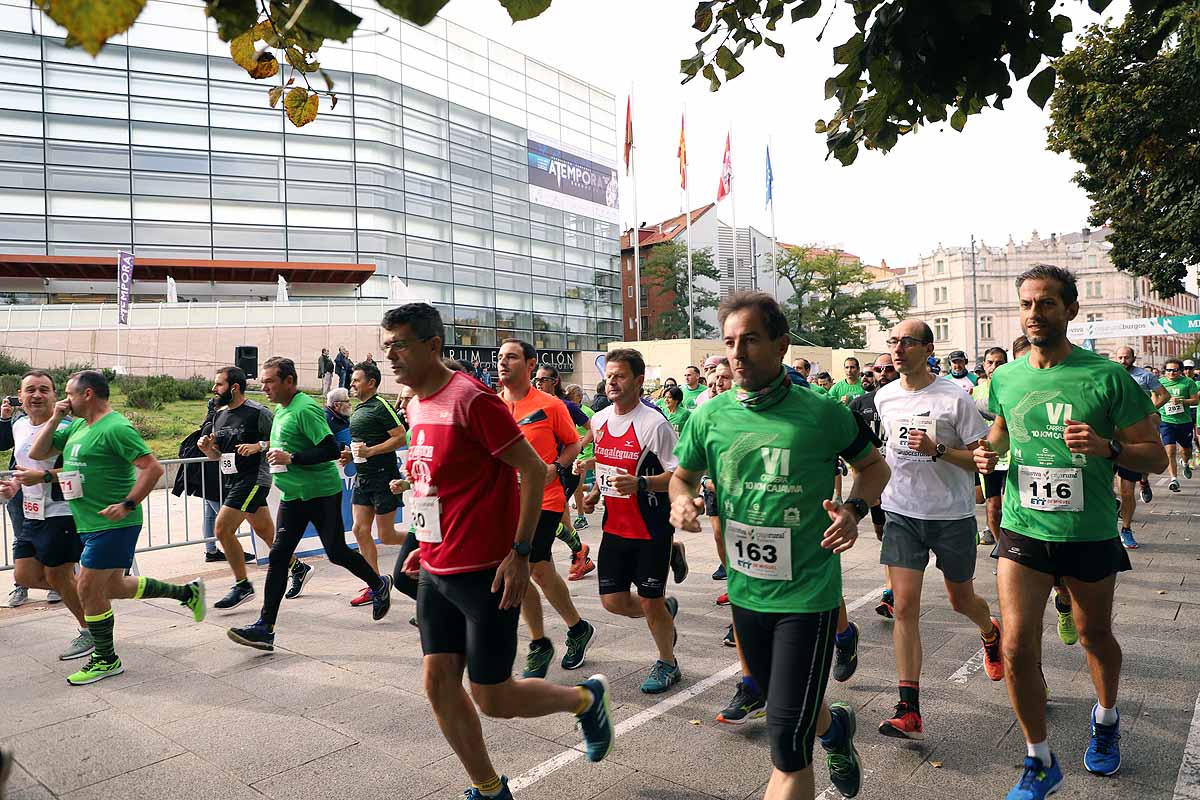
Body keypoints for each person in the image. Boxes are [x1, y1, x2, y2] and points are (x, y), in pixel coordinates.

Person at [384, 304, 613, 799]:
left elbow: (532, 471)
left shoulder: (473, 400)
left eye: (399, 344)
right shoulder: (415, 404)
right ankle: (489, 789)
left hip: (486, 571)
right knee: (438, 684)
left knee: (492, 696)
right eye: (386, 346)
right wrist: (423, 542)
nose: (391, 355)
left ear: (432, 345)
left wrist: (520, 551)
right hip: (437, 566)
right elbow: (435, 483)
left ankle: (583, 699)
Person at [670, 291, 889, 800]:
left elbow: (875, 468)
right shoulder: (710, 415)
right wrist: (682, 503)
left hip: (808, 597)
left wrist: (854, 511)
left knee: (787, 746)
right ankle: (835, 730)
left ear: (782, 345)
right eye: (729, 343)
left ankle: (819, 739)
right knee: (790, 704)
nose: (738, 353)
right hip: (747, 595)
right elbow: (681, 477)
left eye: (750, 340)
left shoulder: (821, 412)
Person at [974, 264, 1167, 800]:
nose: (1034, 313)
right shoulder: (1007, 376)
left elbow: (1154, 457)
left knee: (1094, 636)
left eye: (1047, 303)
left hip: (1088, 533)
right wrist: (989, 451)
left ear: (1070, 311)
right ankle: (1039, 760)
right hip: (1024, 527)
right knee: (1014, 647)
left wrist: (1108, 448)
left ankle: (1105, 718)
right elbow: (1000, 433)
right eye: (1027, 304)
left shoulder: (1106, 377)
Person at [28, 370, 205, 685]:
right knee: (112, 588)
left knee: (86, 587)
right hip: (88, 522)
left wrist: (128, 504)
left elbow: (150, 468)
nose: (64, 400)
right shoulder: (80, 425)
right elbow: (38, 453)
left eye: (68, 394)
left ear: (88, 394)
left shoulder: (117, 427)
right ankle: (187, 593)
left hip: (114, 523)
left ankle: (106, 659)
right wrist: (55, 418)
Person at [874, 320, 1002, 740]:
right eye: (893, 341)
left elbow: (982, 460)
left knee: (960, 599)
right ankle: (908, 708)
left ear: (928, 349)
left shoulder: (954, 397)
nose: (898, 349)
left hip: (951, 514)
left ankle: (989, 630)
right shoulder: (885, 396)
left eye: (907, 342)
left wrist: (939, 451)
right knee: (905, 606)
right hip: (901, 513)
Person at [227, 357, 393, 651]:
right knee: (279, 557)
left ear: (288, 381)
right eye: (262, 381)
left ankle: (379, 584)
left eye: (269, 381)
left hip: (320, 493)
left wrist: (292, 459)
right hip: (293, 497)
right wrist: (268, 448)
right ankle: (265, 628)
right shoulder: (281, 409)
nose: (263, 386)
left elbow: (330, 448)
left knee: (337, 552)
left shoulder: (305, 408)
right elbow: (288, 442)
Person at [579, 348, 683, 693]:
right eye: (609, 375)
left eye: (620, 375)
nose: (612, 381)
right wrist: (596, 493)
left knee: (650, 600)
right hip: (615, 525)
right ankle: (663, 611)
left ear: (638, 381)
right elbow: (610, 465)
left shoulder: (654, 424)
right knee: (613, 601)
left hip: (652, 525)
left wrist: (642, 483)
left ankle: (668, 663)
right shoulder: (599, 419)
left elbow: (681, 474)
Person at [497, 340, 596, 678]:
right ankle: (572, 630)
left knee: (531, 566)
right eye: (499, 357)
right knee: (532, 570)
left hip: (546, 498)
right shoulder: (494, 406)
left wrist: (557, 466)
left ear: (529, 364)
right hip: (508, 503)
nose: (502, 362)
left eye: (511, 357)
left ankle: (543, 642)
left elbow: (572, 443)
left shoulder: (550, 405)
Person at [0, 372, 92, 659]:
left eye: (43, 390)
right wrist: (14, 485)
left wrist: (44, 476)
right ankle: (92, 598)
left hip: (62, 512)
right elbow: (21, 465)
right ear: (20, 395)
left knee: (58, 575)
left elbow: (82, 472)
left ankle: (91, 630)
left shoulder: (72, 427)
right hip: (31, 514)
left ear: (55, 395)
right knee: (25, 575)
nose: (36, 395)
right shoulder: (19, 425)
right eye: (30, 390)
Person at [198, 366, 303, 610]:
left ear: (234, 388)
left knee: (222, 530)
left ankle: (242, 584)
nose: (214, 389)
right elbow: (217, 455)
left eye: (219, 385)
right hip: (232, 479)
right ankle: (298, 567)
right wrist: (207, 449)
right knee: (267, 533)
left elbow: (283, 438)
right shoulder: (219, 415)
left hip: (254, 479)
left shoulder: (258, 412)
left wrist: (259, 446)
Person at [338, 361, 407, 607]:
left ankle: (423, 542)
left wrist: (371, 452)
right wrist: (350, 455)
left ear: (372, 383)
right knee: (359, 529)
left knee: (386, 535)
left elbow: (399, 437)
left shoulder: (381, 406)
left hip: (383, 477)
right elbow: (361, 445)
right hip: (363, 477)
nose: (352, 384)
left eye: (356, 380)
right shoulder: (359, 409)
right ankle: (375, 583)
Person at [534, 365, 596, 582]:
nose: (539, 383)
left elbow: (592, 427)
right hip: (544, 471)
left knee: (547, 519)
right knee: (561, 519)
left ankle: (577, 553)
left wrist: (578, 445)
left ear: (555, 382)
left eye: (543, 379)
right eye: (537, 380)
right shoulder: (535, 405)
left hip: (564, 469)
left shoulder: (566, 405)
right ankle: (580, 555)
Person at [849, 355, 897, 618]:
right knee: (883, 534)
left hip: (902, 482)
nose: (883, 373)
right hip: (875, 482)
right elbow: (854, 454)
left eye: (888, 368)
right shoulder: (860, 404)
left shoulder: (906, 400)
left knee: (893, 536)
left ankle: (891, 591)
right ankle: (894, 585)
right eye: (878, 369)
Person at [1113, 347, 1169, 549]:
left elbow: (1164, 395)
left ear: (1133, 358)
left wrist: (1148, 413)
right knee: (1103, 487)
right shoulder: (1109, 374)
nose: (1122, 360)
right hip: (1109, 437)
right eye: (1119, 357)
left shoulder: (1144, 376)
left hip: (1133, 439)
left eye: (1126, 357)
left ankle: (1126, 529)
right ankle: (1114, 505)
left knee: (1127, 491)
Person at [974, 347, 1013, 547]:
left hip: (1012, 456)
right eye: (990, 362)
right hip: (990, 457)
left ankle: (1011, 550)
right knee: (993, 507)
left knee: (1011, 506)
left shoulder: (1014, 387)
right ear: (984, 365)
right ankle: (1000, 548)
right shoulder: (976, 392)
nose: (994, 367)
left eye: (999, 363)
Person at [1158, 357, 1198, 493]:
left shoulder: (1188, 382)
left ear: (1180, 371)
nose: (1171, 373)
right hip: (1166, 422)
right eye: (1168, 370)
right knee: (1170, 451)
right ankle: (1173, 479)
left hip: (1184, 422)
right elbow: (1154, 398)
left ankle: (1185, 463)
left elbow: (1195, 401)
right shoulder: (1160, 383)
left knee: (1186, 451)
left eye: (1175, 370)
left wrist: (1181, 401)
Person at [564, 383, 595, 535]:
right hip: (569, 453)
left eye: (571, 396)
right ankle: (594, 488)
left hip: (584, 454)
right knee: (573, 487)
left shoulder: (588, 412)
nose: (568, 398)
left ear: (579, 397)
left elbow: (595, 431)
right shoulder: (565, 408)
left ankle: (581, 517)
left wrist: (581, 443)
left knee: (576, 487)